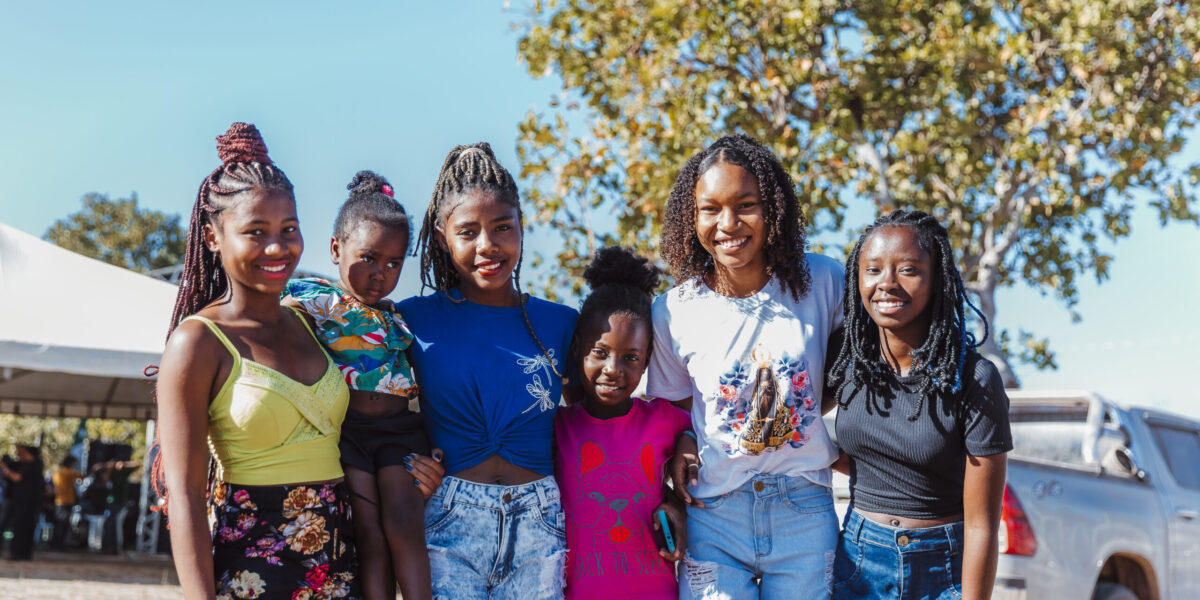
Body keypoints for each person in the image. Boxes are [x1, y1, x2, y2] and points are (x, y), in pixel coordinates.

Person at [154, 123, 359, 599]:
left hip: (340, 564)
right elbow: (183, 499)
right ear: (212, 238)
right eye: (256, 232)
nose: (277, 248)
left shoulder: (312, 323)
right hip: (251, 574)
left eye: (289, 229)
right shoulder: (197, 343)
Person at [649, 134, 845, 599]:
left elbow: (856, 366)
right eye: (710, 209)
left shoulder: (823, 280)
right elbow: (677, 410)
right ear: (690, 216)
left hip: (805, 507)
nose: (728, 223)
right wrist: (683, 442)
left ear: (772, 209)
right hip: (713, 515)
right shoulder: (673, 311)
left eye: (746, 205)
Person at [400, 142, 578, 599]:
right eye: (468, 231)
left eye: (502, 227)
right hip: (448, 521)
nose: (488, 245)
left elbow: (587, 422)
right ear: (442, 237)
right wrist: (405, 462)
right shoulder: (412, 318)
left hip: (540, 522)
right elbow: (374, 410)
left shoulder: (561, 322)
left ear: (522, 226)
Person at [825, 210, 1010, 600]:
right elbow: (792, 419)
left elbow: (982, 525)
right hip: (859, 559)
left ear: (936, 279)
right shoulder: (846, 358)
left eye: (907, 270)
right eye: (872, 270)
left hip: (943, 565)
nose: (886, 284)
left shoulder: (975, 379)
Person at [284, 170, 442, 600]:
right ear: (336, 248)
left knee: (405, 526)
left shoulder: (397, 316)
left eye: (394, 263)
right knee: (369, 533)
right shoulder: (316, 300)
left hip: (399, 433)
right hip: (346, 434)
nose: (381, 273)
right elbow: (264, 320)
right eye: (369, 257)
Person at [554, 246, 692, 599]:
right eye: (599, 352)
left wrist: (675, 497)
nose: (613, 369)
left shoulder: (664, 418)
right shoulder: (557, 427)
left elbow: (703, 431)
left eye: (631, 357)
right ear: (577, 351)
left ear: (647, 363)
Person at [0, 445, 45, 560]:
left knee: (21, 527)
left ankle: (19, 554)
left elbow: (17, 478)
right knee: (23, 527)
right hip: (26, 501)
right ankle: (22, 554)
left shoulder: (33, 465)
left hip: (26, 502)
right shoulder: (33, 464)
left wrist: (4, 467)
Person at [50, 455, 84, 549]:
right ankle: (59, 544)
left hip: (58, 500)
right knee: (63, 524)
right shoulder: (68, 472)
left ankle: (55, 543)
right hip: (67, 501)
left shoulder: (57, 472)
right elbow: (82, 477)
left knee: (59, 523)